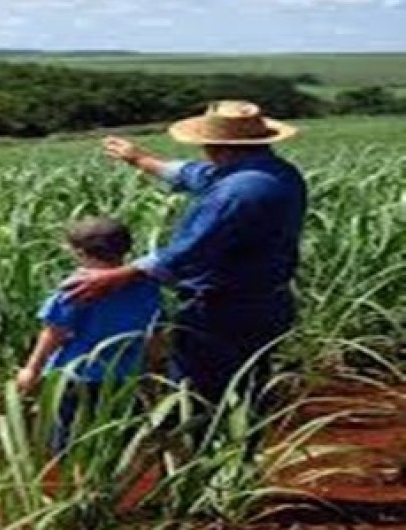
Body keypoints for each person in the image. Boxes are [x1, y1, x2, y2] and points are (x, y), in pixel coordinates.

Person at [66, 101, 307, 406]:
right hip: (266, 303)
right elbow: (197, 175)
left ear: (214, 146)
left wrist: (122, 275)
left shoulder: (238, 192)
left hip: (224, 311)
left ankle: (211, 448)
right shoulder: (274, 171)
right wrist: (139, 158)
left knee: (201, 398)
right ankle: (244, 447)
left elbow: (191, 250)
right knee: (246, 389)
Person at [17, 217, 161, 453]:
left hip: (76, 377)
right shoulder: (146, 285)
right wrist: (151, 367)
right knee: (116, 440)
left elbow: (54, 333)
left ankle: (74, 483)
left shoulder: (78, 287)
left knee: (68, 441)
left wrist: (31, 369)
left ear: (79, 253)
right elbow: (154, 330)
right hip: (125, 376)